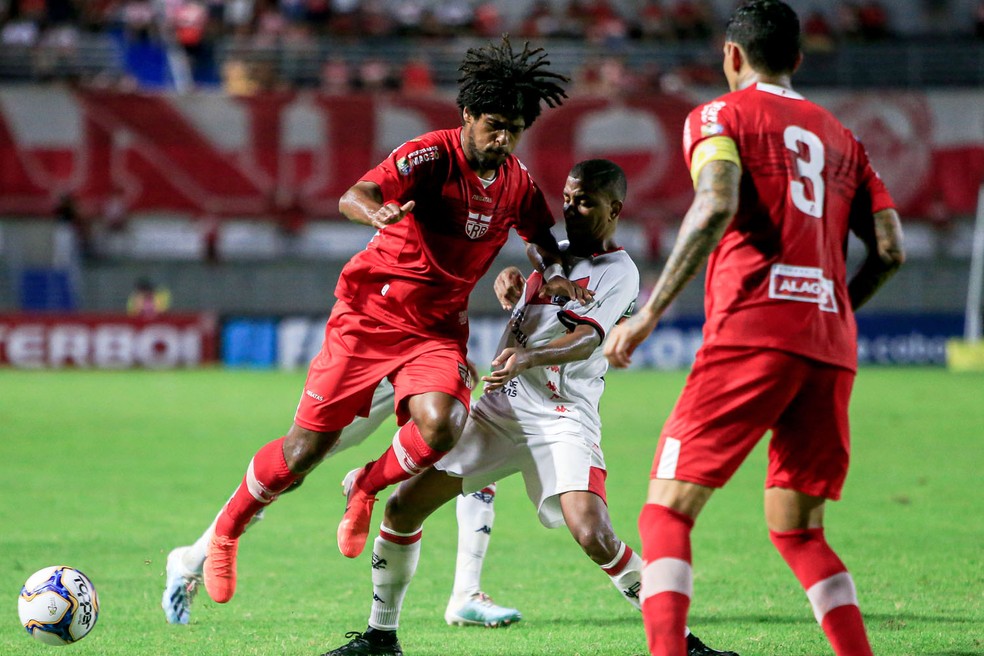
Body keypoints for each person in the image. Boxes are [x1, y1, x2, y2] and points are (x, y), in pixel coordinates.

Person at [200, 36, 590, 607]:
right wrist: (376, 211)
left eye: (514, 127)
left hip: (435, 331)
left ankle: (366, 485)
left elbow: (542, 241)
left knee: (443, 425)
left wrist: (551, 272)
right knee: (303, 454)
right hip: (369, 317)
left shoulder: (517, 182)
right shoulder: (431, 156)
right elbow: (354, 195)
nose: (503, 137)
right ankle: (226, 532)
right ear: (467, 114)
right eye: (493, 123)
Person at [323, 159, 735, 656]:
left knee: (593, 533)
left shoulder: (618, 271)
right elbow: (532, 316)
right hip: (501, 410)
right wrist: (513, 287)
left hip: (562, 416)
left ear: (614, 209)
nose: (571, 208)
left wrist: (528, 358)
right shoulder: (550, 258)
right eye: (567, 196)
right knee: (403, 507)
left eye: (585, 201)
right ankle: (380, 637)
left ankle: (685, 645)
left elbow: (587, 340)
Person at [603, 3, 906, 655]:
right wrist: (837, 310)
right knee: (798, 531)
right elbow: (889, 248)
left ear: (732, 57)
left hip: (751, 333)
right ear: (797, 59)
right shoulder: (843, 138)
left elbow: (715, 201)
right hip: (829, 345)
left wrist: (650, 312)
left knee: (665, 512)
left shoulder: (719, 117)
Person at [162, 275, 524, 628]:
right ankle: (191, 560)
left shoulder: (469, 224)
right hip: (373, 355)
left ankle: (466, 593)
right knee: (293, 468)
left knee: (468, 448)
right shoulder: (408, 222)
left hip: (426, 352)